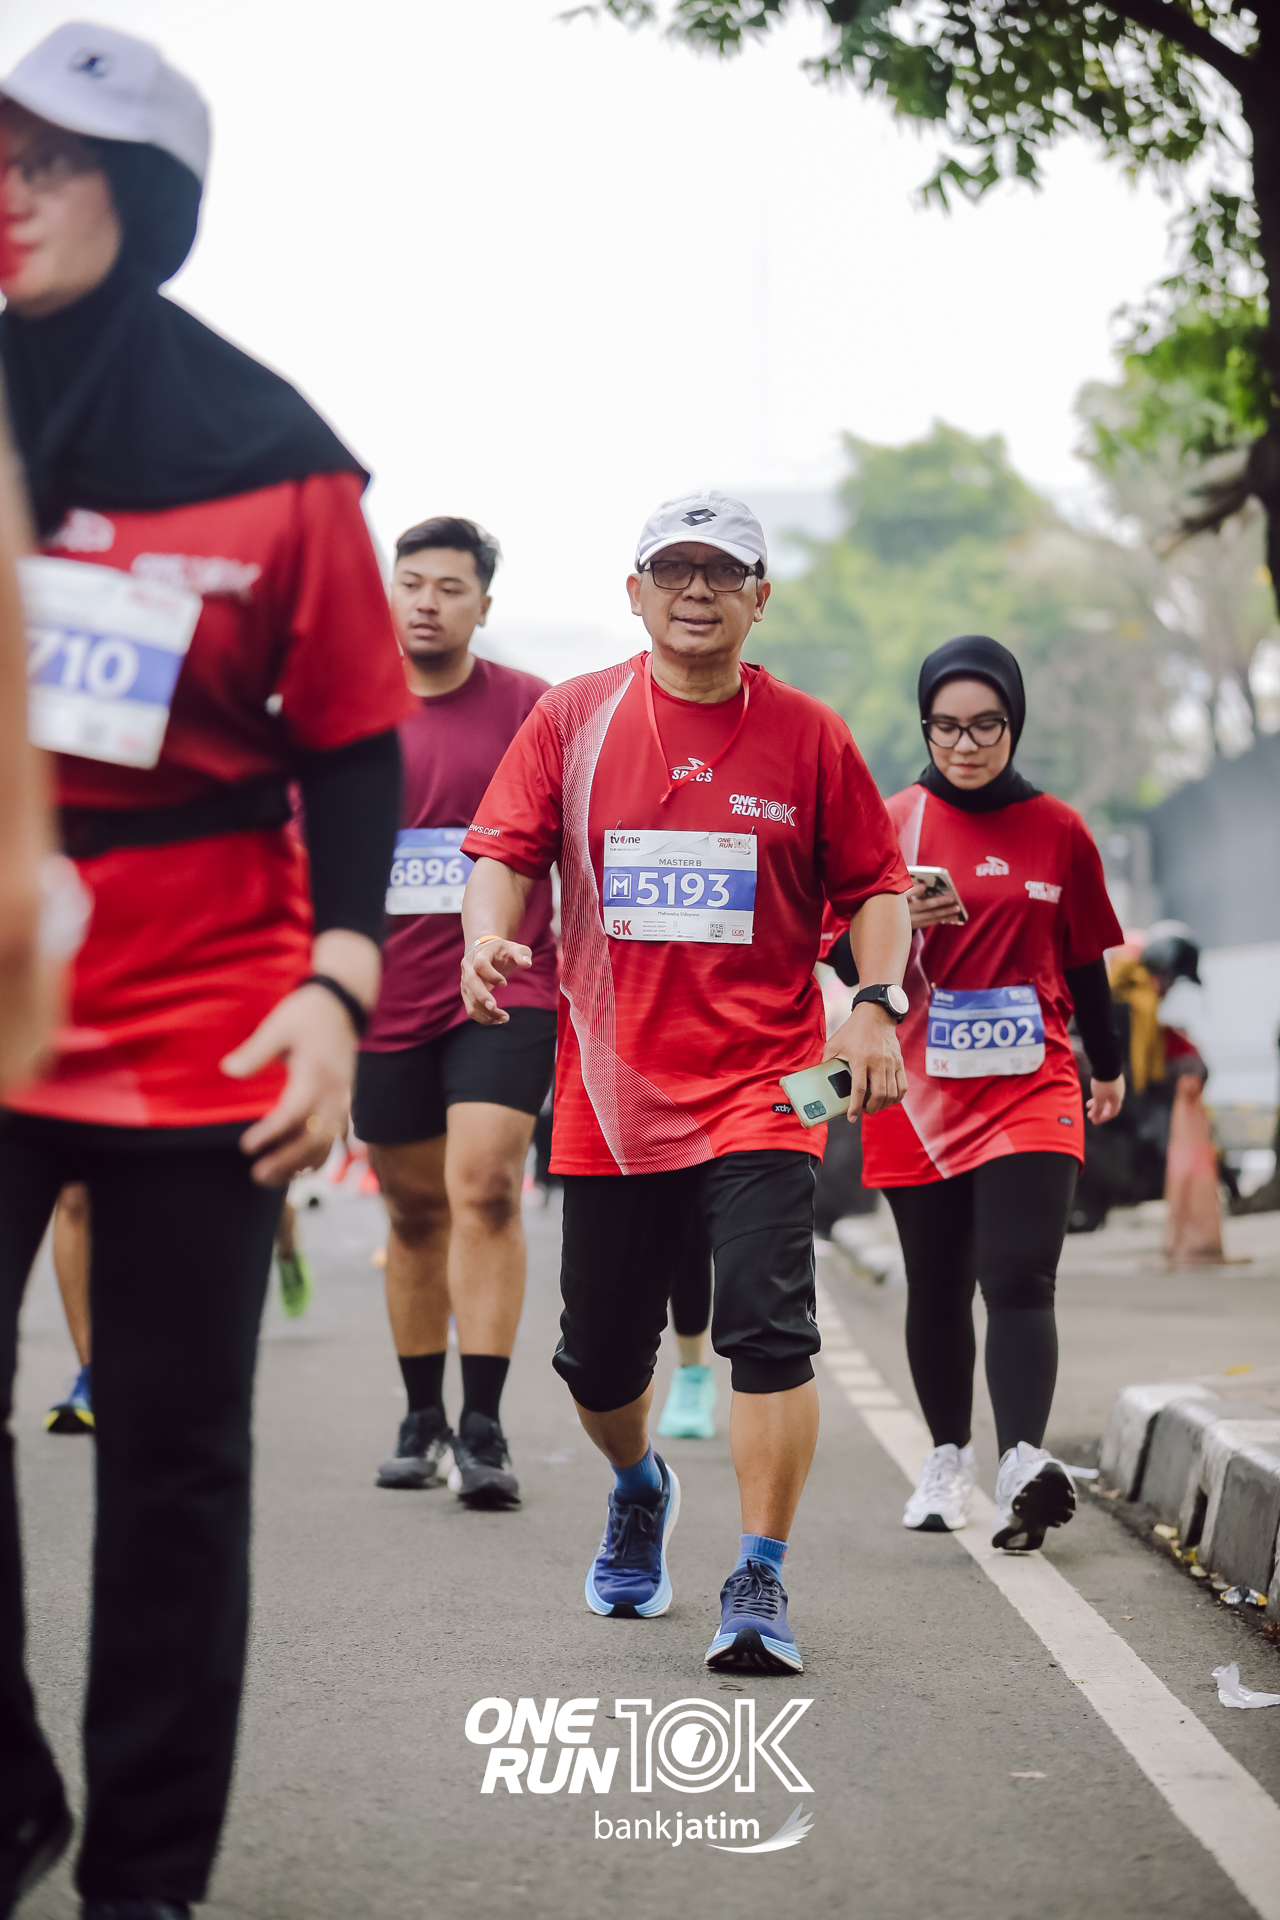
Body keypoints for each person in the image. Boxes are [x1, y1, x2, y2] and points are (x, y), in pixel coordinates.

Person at [0, 25, 409, 1919]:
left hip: (207, 1018)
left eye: (52, 161)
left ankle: (146, 1879)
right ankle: (9, 1791)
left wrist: (336, 991)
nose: (10, 193)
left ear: (146, 195)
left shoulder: (274, 459)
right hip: (6, 989)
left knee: (171, 1460)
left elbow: (352, 749)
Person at [457, 491, 913, 1674]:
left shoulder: (808, 736)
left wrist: (873, 1004)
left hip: (767, 1088)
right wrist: (485, 937)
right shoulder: (572, 719)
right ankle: (637, 1484)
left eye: (721, 571)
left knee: (769, 1331)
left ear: (759, 598)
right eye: (673, 569)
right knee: (599, 1361)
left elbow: (874, 886)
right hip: (611, 1100)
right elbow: (502, 854)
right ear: (635, 592)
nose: (696, 590)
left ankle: (758, 1574)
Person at [854, 635, 1125, 1550]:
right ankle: (946, 1460)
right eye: (945, 726)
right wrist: (893, 922)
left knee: (1018, 1275)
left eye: (985, 725)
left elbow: (1086, 961)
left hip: (1032, 1083)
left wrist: (1109, 1065)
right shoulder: (892, 823)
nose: (964, 744)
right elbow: (835, 956)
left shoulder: (1059, 828)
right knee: (935, 1283)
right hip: (917, 1088)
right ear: (924, 725)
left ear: (1015, 722)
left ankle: (1021, 1464)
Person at [354, 517, 557, 1507]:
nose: (427, 602)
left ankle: (482, 1426)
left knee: (484, 1188)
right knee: (412, 1208)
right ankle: (420, 1415)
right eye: (411, 584)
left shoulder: (532, 710)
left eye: (449, 587)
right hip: (381, 997)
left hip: (507, 984)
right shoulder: (347, 711)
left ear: (483, 605)